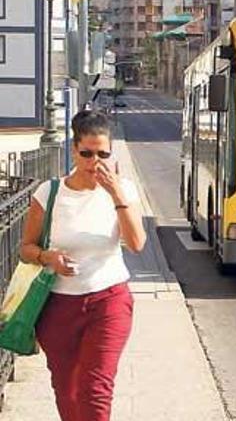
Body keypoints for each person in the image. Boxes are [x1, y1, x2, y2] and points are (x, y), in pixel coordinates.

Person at [19, 110, 146, 421]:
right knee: (67, 391)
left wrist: (116, 194)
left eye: (103, 153)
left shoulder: (124, 190)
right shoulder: (49, 193)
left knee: (95, 390)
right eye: (87, 153)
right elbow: (25, 249)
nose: (95, 161)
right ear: (73, 150)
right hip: (58, 307)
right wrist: (48, 257)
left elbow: (137, 243)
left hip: (108, 301)